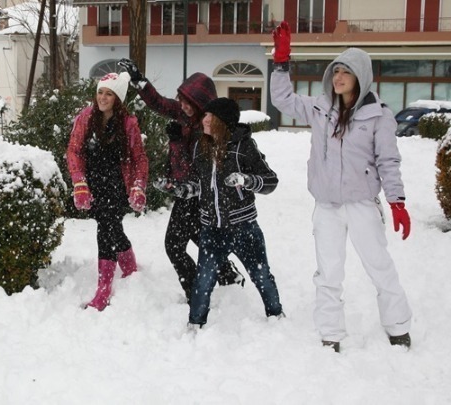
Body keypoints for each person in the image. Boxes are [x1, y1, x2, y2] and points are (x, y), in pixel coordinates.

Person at [270, 22, 413, 352]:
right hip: (327, 206)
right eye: (335, 71)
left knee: (380, 267)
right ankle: (331, 333)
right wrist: (281, 61)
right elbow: (282, 99)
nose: (338, 77)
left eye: (346, 72)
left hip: (361, 204)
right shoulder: (319, 109)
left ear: (360, 77)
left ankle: (398, 326)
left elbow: (388, 161)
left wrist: (397, 202)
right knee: (328, 273)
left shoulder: (379, 116)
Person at [117, 58, 245, 303]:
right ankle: (227, 276)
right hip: (185, 193)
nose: (183, 106)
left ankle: (196, 291)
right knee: (200, 239)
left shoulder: (207, 127)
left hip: (198, 195)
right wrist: (138, 80)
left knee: (174, 245)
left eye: (189, 102)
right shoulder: (184, 114)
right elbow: (159, 103)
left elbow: (195, 167)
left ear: (201, 104)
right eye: (182, 100)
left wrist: (176, 142)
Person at [183, 98, 284, 327]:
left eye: (210, 116)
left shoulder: (244, 147)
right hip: (212, 229)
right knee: (204, 280)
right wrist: (183, 189)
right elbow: (200, 184)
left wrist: (246, 180)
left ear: (222, 121)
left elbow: (270, 181)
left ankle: (276, 316)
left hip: (244, 228)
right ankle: (195, 324)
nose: (204, 119)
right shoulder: (201, 145)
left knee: (261, 276)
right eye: (205, 115)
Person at [66, 72, 149, 311]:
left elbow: (139, 158)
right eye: (100, 92)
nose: (102, 97)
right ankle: (130, 265)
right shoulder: (85, 118)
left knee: (106, 229)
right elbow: (74, 151)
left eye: (109, 94)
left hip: (116, 184)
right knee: (112, 227)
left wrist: (138, 187)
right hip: (93, 184)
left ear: (118, 99)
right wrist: (79, 183)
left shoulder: (128, 123)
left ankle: (103, 290)